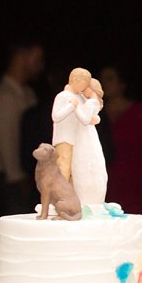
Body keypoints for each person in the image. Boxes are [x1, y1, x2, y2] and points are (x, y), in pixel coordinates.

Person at [0, 39, 45, 215]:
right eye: (37, 58)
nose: (40, 65)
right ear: (22, 56)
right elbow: (7, 146)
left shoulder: (27, 93)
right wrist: (19, 181)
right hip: (14, 184)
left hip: (27, 180)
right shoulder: (5, 97)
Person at [99, 65, 142, 213]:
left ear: (122, 84)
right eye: (102, 80)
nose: (104, 84)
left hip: (135, 186)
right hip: (106, 187)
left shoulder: (140, 113)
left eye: (110, 79)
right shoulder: (96, 114)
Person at [50, 67, 107, 209]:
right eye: (84, 83)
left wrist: (91, 117)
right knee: (63, 168)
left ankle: (70, 198)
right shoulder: (64, 96)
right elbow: (56, 116)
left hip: (76, 138)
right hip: (65, 137)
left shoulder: (81, 97)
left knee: (74, 169)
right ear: (76, 80)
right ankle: (60, 199)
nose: (84, 88)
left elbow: (85, 116)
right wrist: (72, 106)